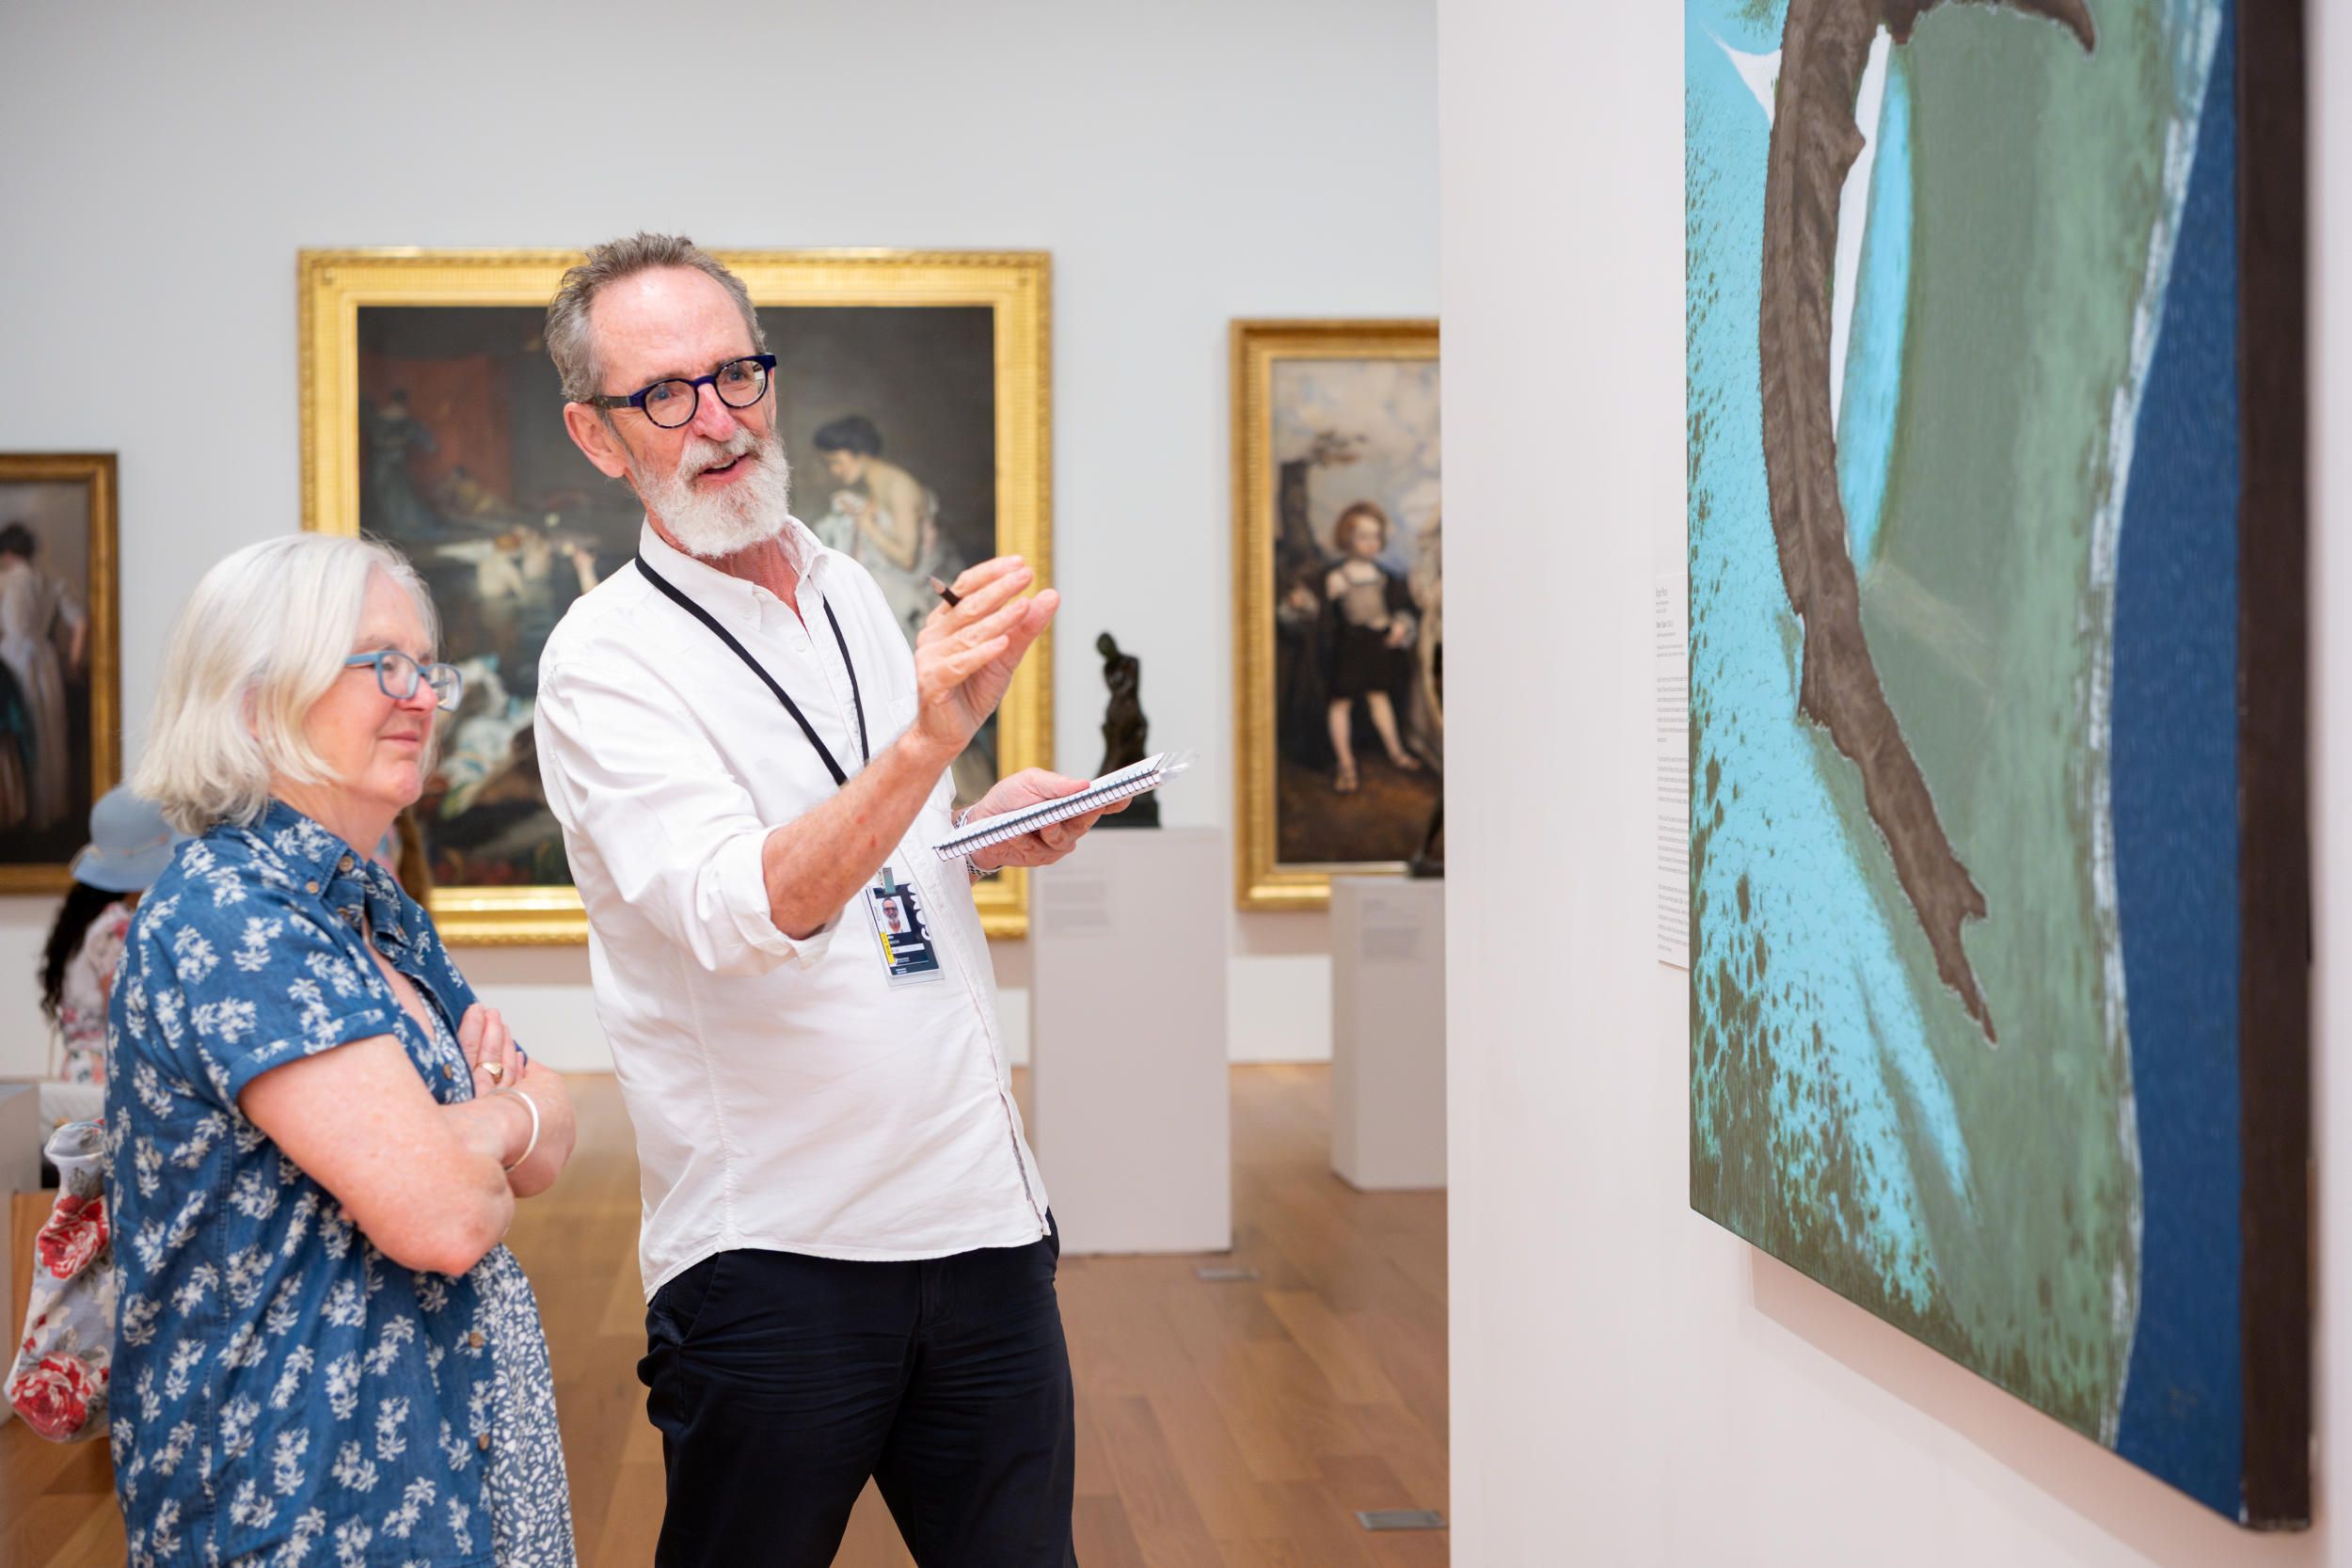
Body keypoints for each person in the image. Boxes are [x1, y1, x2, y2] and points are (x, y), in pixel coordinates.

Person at [535, 231, 1118, 1568]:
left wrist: (978, 832)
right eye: (665, 392)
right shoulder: (602, 663)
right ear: (595, 433)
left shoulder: (849, 584)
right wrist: (924, 749)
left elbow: (866, 854)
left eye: (737, 372)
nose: (719, 419)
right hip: (781, 1257)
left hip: (983, 1221)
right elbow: (744, 909)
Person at [109, 532, 579, 1567]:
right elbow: (451, 1215)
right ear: (253, 697)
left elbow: (558, 1130)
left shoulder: (377, 909)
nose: (422, 694)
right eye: (381, 663)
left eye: (428, 666)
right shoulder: (235, 912)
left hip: (441, 1451)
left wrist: (484, 1127)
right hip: (303, 1493)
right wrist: (497, 1116)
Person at [40, 785, 179, 1094]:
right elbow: (128, 1015)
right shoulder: (116, 926)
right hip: (108, 1077)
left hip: (83, 1074)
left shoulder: (91, 920)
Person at [1322, 500, 1422, 792]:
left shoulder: (1383, 576)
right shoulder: (1337, 577)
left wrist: (1400, 625)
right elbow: (1324, 621)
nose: (1371, 543)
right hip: (1351, 648)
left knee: (1379, 698)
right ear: (1346, 539)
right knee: (1341, 704)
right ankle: (1347, 766)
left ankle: (1397, 753)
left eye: (1376, 536)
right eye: (1363, 537)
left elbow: (1399, 609)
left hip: (1379, 647)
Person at [0, 521, 87, 830]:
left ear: (7, 553)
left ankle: (24, 814)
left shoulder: (5, 580)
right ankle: (51, 810)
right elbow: (79, 622)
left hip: (11, 660)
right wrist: (73, 663)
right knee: (50, 731)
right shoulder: (51, 579)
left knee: (23, 733)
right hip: (46, 660)